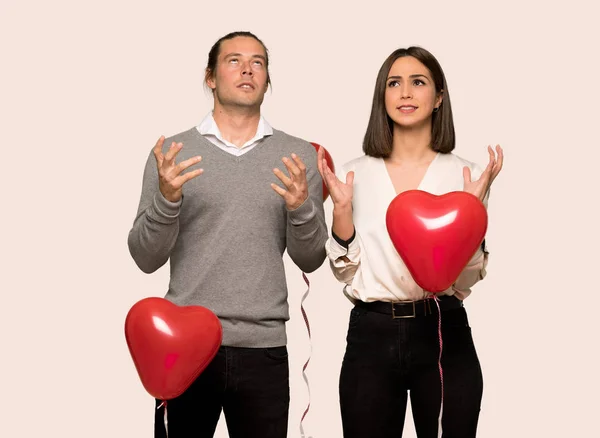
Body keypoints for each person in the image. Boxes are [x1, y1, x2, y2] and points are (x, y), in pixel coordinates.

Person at [127, 31, 328, 438]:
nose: (247, 68)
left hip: (264, 349)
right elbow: (145, 258)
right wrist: (167, 199)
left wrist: (301, 207)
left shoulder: (297, 155)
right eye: (234, 60)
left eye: (258, 62)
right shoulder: (172, 153)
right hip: (183, 346)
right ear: (211, 78)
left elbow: (310, 258)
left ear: (267, 80)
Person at [317, 46, 503, 438]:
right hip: (373, 334)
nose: (405, 93)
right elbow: (345, 272)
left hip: (443, 330)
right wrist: (342, 212)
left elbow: (466, 280)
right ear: (381, 97)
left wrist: (475, 206)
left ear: (438, 98)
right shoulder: (353, 174)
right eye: (394, 83)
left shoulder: (466, 173)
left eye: (418, 83)